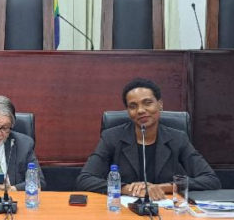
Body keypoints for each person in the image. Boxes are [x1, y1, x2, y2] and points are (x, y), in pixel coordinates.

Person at [76, 78, 220, 199]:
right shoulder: (112, 137)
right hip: (123, 212)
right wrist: (127, 189)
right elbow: (85, 179)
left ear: (160, 104)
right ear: (128, 111)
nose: (140, 110)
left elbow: (210, 180)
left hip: (166, 212)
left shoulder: (178, 138)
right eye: (133, 106)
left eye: (147, 103)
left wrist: (164, 187)